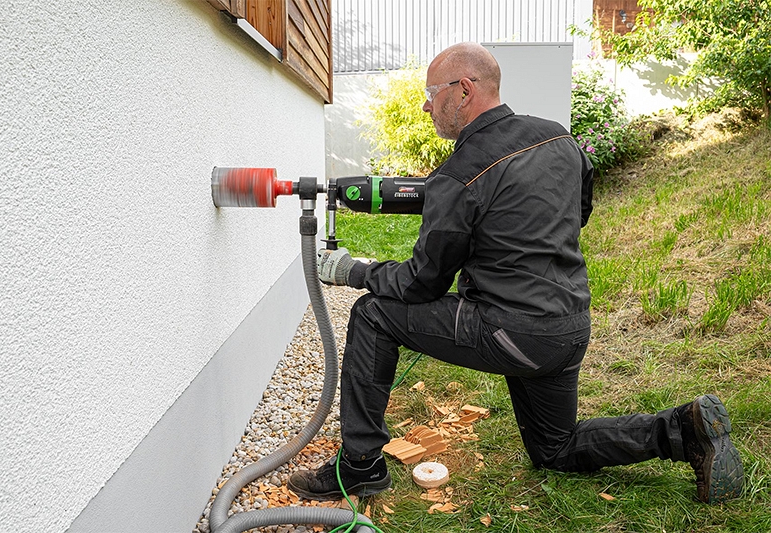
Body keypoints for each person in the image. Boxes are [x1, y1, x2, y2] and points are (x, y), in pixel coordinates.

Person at [287, 42, 743, 504]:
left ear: (464, 90)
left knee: (373, 314)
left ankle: (360, 465)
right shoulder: (557, 138)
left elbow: (421, 283)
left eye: (431, 93)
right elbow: (578, 211)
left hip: (513, 334)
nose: (426, 106)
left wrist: (355, 271)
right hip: (568, 328)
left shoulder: (459, 173)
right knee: (555, 449)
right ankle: (682, 429)